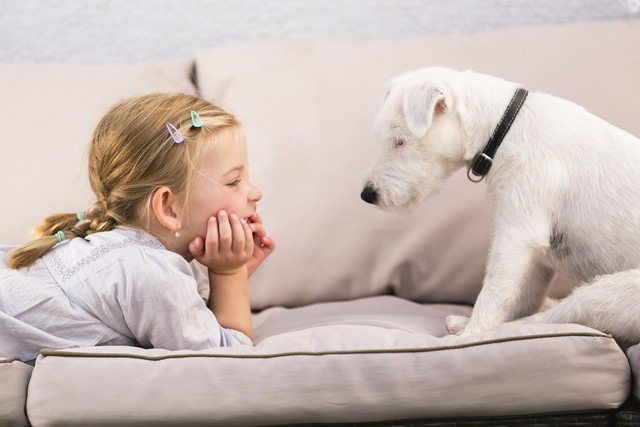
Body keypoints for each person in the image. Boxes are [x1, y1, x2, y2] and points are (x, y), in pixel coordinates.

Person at [0, 93, 275, 363]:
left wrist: (224, 277)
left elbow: (191, 323)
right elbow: (226, 359)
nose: (256, 193)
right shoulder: (152, 273)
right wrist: (230, 275)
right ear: (168, 208)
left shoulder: (133, 254)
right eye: (233, 182)